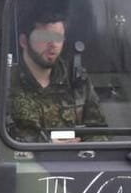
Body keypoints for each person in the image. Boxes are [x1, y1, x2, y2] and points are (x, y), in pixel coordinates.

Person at [6, 9, 106, 143]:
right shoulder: (5, 84)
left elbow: (98, 131)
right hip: (23, 160)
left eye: (58, 37)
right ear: (24, 41)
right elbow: (0, 138)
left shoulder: (76, 80)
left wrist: (84, 148)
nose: (53, 45)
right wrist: (48, 145)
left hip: (75, 161)